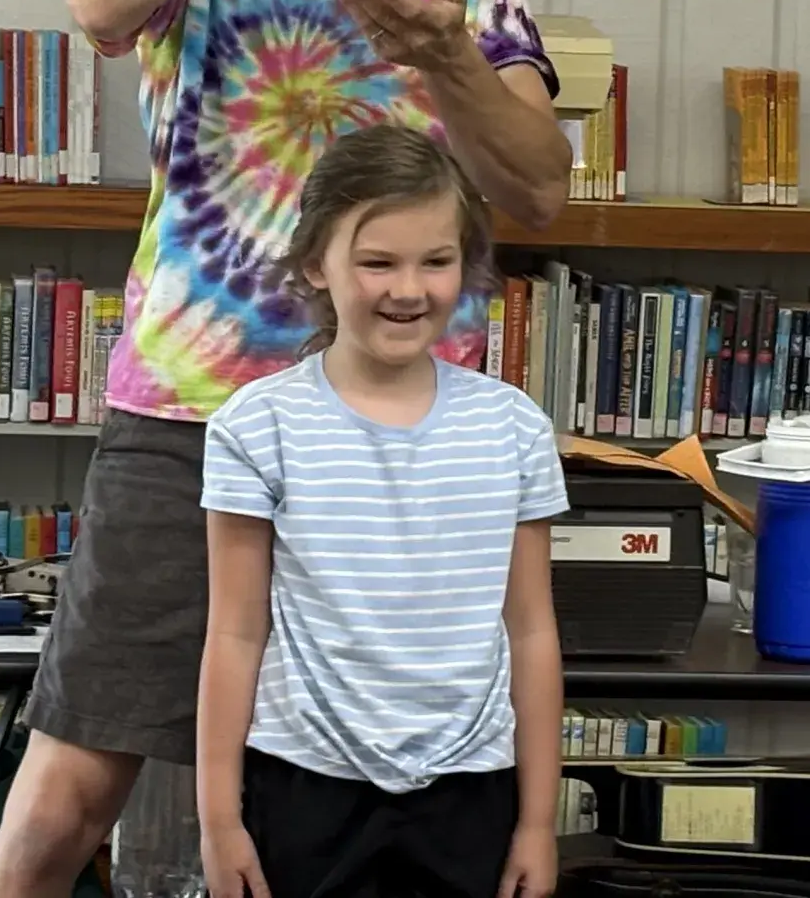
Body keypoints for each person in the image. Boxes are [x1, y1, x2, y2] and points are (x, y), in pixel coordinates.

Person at [0, 0, 571, 898]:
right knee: (61, 801)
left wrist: (444, 54)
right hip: (194, 410)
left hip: (403, 443)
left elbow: (537, 186)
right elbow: (99, 1)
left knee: (369, 820)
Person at [198, 123, 569, 898]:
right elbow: (234, 632)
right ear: (315, 263)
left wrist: (538, 822)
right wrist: (218, 820)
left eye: (436, 261)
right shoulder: (255, 426)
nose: (409, 289)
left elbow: (531, 629)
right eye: (377, 262)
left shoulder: (514, 427)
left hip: (472, 790)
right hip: (303, 786)